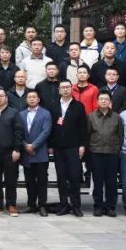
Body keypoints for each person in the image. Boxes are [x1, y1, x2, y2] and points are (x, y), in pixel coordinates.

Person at [50, 80, 88, 216]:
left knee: (74, 177)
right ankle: (64, 204)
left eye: (68, 87)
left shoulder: (78, 106)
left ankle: (76, 206)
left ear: (71, 89)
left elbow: (83, 127)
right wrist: (50, 145)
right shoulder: (53, 106)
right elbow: (51, 127)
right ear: (59, 89)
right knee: (61, 177)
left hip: (73, 147)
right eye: (63, 87)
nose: (65, 89)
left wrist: (82, 145)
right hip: (58, 147)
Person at [0, 88, 22, 216]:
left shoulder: (14, 113)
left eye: (1, 96)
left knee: (11, 180)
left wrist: (17, 149)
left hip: (10, 152)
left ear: (6, 98)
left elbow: (18, 132)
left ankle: (11, 205)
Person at [87, 91, 122, 217]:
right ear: (97, 101)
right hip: (96, 153)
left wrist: (118, 150)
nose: (103, 101)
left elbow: (120, 135)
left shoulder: (117, 117)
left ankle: (110, 207)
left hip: (112, 153)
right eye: (101, 99)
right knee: (97, 182)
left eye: (106, 99)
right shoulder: (91, 116)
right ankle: (98, 206)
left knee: (111, 182)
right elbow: (87, 135)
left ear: (110, 102)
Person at [20, 89, 52, 216]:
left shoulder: (45, 113)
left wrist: (33, 146)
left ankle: (42, 205)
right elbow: (18, 132)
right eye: (29, 97)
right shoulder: (21, 114)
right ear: (26, 100)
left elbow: (46, 131)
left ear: (38, 99)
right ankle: (31, 205)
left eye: (34, 97)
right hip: (27, 153)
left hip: (40, 152)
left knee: (42, 181)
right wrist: (25, 145)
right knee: (29, 181)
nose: (32, 99)